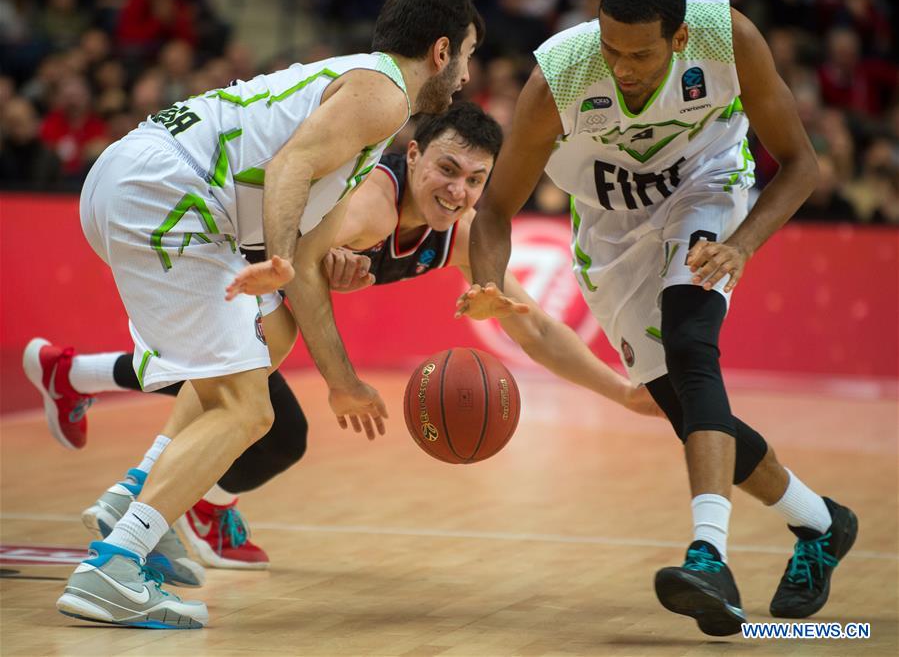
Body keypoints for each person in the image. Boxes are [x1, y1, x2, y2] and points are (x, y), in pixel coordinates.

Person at [26, 102, 662, 574]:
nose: (458, 191)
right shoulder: (369, 206)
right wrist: (342, 368)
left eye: (475, 180)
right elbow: (296, 273)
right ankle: (143, 495)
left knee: (263, 412)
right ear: (413, 156)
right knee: (264, 393)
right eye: (447, 169)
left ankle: (77, 383)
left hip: (250, 290)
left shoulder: (461, 232)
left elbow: (535, 326)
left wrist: (624, 392)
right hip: (217, 252)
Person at [47, 0, 483, 629]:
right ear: (442, 50)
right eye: (468, 56)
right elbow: (288, 172)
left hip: (133, 182)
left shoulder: (354, 95)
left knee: (267, 341)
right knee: (249, 409)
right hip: (170, 194)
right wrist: (276, 259)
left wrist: (342, 382)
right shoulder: (385, 95)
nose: (468, 77)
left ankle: (133, 502)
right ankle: (114, 564)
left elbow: (306, 267)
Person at [459, 0, 857, 635]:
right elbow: (496, 208)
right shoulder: (560, 76)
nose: (620, 68)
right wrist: (489, 282)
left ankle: (708, 556)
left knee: (690, 343)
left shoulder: (727, 39)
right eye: (610, 49)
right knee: (682, 404)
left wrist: (741, 245)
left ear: (678, 40)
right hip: (610, 230)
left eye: (639, 54)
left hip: (706, 189)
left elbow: (801, 165)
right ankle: (820, 522)